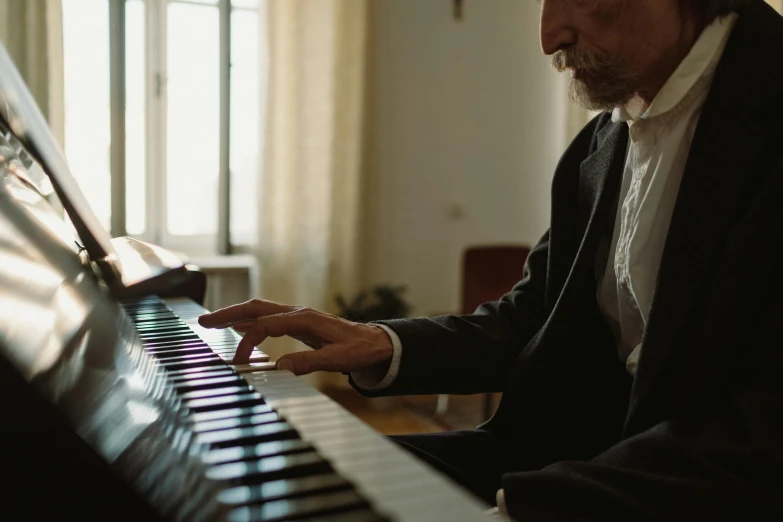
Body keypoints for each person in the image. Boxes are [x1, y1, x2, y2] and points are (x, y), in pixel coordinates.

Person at [199, 0, 783, 520]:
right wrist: (380, 342)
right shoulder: (601, 142)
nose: (549, 34)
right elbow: (533, 319)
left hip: (692, 492)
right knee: (290, 480)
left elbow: (759, 430)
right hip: (562, 460)